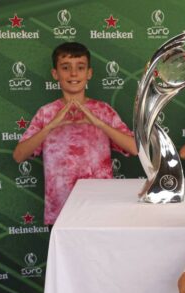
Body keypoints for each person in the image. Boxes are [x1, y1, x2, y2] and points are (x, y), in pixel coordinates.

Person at [13, 42, 138, 225]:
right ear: (55, 74)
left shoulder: (103, 110)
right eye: (65, 68)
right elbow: (18, 155)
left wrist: (98, 123)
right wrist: (50, 126)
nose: (73, 74)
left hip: (100, 209)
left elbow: (135, 148)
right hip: (60, 212)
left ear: (89, 73)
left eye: (80, 68)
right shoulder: (46, 113)